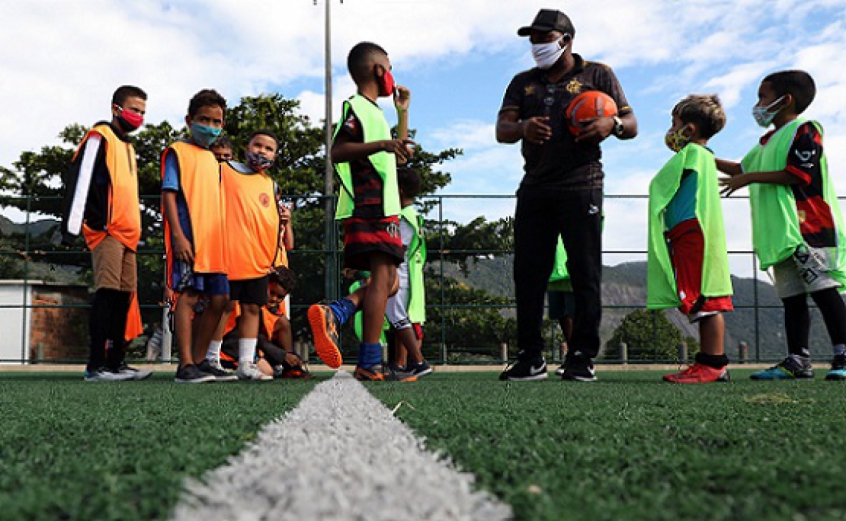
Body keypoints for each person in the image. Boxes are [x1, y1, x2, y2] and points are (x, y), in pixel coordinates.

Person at [496, 9, 637, 381]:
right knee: (528, 273)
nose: (538, 44)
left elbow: (632, 123)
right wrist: (524, 126)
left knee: (585, 272)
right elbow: (502, 129)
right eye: (533, 38)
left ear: (566, 39)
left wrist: (612, 123)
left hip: (582, 184)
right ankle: (530, 356)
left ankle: (581, 357)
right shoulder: (522, 82)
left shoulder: (598, 74)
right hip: (535, 186)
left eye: (545, 37)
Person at [719, 70, 846, 381]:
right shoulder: (767, 142)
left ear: (785, 99)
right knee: (791, 297)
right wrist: (701, 153)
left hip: (810, 228)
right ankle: (797, 360)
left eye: (763, 96)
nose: (758, 104)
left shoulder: (805, 130)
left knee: (824, 291)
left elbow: (798, 173)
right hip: (781, 234)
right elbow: (742, 167)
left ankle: (843, 353)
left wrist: (747, 178)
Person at [308, 41, 416, 382]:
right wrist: (382, 143)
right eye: (389, 65)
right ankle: (369, 361)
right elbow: (337, 151)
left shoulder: (378, 113)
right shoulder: (356, 107)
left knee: (390, 284)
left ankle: (337, 312)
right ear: (379, 70)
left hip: (383, 206)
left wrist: (401, 114)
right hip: (371, 206)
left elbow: (398, 157)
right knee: (386, 281)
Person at [62, 85, 152, 382]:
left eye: (142, 112)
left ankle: (116, 362)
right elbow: (81, 176)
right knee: (107, 294)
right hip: (107, 230)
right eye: (134, 109)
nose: (138, 116)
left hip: (129, 234)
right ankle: (96, 366)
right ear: (116, 108)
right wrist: (75, 226)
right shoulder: (99, 136)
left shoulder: (128, 146)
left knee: (125, 297)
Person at [647, 95, 734, 384]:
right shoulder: (703, 156)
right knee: (701, 297)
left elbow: (662, 184)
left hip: (691, 233)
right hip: (689, 232)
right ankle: (711, 361)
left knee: (704, 299)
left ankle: (713, 363)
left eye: (675, 124)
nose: (671, 131)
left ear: (691, 129)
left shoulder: (694, 155)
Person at [211, 129, 291, 381]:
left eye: (268, 148)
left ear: (275, 156)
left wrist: (271, 255)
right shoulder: (225, 171)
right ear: (247, 146)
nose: (262, 151)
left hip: (259, 262)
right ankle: (211, 358)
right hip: (229, 256)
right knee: (224, 307)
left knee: (252, 309)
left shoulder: (271, 184)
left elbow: (271, 223)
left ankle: (246, 363)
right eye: (257, 145)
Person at [162, 89, 230, 384]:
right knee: (188, 297)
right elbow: (168, 194)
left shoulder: (213, 160)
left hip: (214, 242)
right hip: (189, 238)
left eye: (217, 122)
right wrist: (178, 236)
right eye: (204, 119)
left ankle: (200, 361)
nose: (211, 127)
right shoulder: (179, 152)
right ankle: (185, 364)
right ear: (190, 120)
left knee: (220, 298)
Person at [220, 267, 312, 379]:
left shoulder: (274, 311)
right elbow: (255, 336)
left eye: (280, 297)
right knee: (268, 372)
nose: (274, 299)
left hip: (256, 349)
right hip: (231, 349)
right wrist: (281, 355)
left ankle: (290, 367)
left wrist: (288, 355)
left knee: (283, 323)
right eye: (272, 292)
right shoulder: (250, 304)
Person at [384, 167, 432, 377]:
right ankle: (402, 364)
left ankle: (418, 362)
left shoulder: (403, 217)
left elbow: (398, 249)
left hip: (399, 275)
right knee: (399, 318)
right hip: (407, 275)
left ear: (399, 190)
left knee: (398, 317)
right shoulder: (414, 215)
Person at [548, 239, 574, 376]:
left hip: (573, 257)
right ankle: (572, 354)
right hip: (553, 262)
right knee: (560, 310)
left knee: (573, 310)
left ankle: (578, 356)